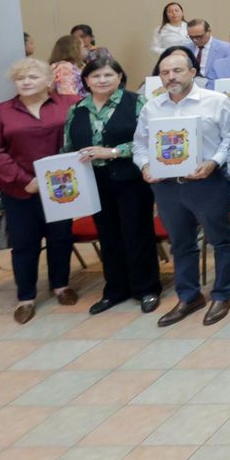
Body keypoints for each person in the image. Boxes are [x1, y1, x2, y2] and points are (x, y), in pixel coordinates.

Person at [133, 46, 230, 327]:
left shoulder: (217, 101)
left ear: (193, 72)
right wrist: (144, 166)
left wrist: (214, 162)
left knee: (221, 239)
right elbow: (139, 145)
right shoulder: (151, 107)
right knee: (181, 243)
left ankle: (222, 294)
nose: (171, 77)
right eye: (165, 72)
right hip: (167, 187)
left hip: (207, 182)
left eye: (177, 70)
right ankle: (189, 296)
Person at [0, 58, 79, 323]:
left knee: (61, 237)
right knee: (25, 243)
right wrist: (24, 179)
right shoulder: (0, 112)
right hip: (19, 189)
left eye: (32, 77)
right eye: (20, 78)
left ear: (49, 80)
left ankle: (61, 285)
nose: (25, 82)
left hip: (61, 186)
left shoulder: (70, 104)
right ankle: (26, 297)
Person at [62, 54, 160, 314]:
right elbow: (68, 146)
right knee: (108, 236)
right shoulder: (77, 108)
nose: (102, 80)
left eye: (108, 75)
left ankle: (146, 289)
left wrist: (113, 152)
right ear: (86, 80)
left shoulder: (137, 102)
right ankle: (115, 290)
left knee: (137, 233)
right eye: (95, 76)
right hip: (94, 182)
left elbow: (150, 139)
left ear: (119, 77)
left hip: (131, 179)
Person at [47, 34, 84, 99]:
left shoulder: (60, 66)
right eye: (83, 47)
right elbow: (67, 95)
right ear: (76, 50)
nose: (84, 50)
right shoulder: (64, 68)